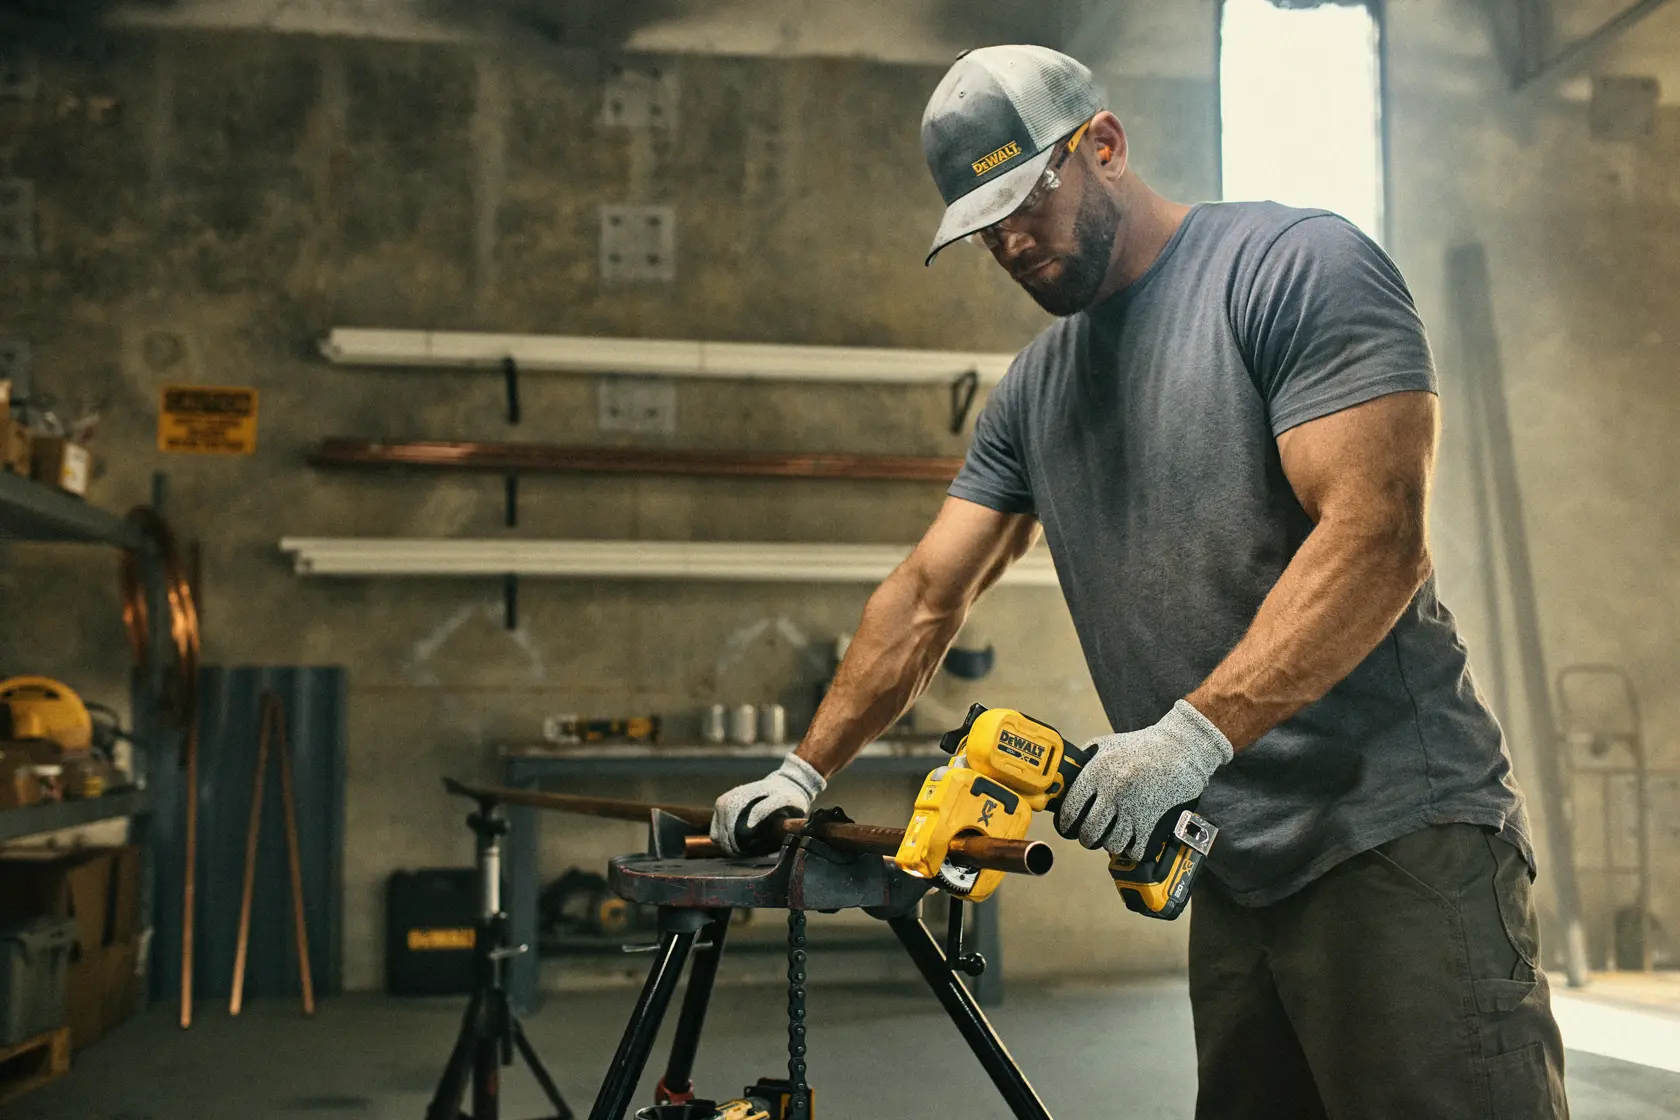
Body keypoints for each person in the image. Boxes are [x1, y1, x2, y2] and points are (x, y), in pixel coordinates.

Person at [709, 44, 1567, 1118]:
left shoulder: (1292, 266)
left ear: (1103, 146)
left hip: (1396, 841)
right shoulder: (1037, 390)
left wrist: (1187, 738)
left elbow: (1378, 537)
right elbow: (929, 592)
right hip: (1240, 876)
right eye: (983, 228)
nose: (1010, 242)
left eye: (1025, 201)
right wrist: (803, 768)